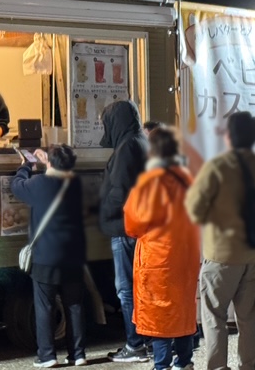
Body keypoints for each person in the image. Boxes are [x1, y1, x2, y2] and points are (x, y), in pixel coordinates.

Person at [185, 111, 255, 370]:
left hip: (221, 255)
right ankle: (247, 366)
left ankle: (218, 367)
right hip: (252, 255)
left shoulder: (217, 166)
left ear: (229, 136)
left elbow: (194, 209)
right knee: (247, 319)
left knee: (214, 317)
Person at [124, 128, 200, 370]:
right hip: (186, 256)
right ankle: (185, 361)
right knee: (182, 308)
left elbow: (132, 223)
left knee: (160, 314)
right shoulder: (187, 178)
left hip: (158, 258)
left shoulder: (149, 182)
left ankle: (162, 364)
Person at [10, 145, 87, 368]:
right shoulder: (75, 185)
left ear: (50, 163)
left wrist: (26, 166)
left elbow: (16, 185)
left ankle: (47, 356)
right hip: (74, 255)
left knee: (45, 306)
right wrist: (50, 162)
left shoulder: (40, 183)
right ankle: (78, 355)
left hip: (46, 257)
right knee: (75, 305)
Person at [98, 100, 149, 363]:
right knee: (140, 286)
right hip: (139, 225)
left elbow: (119, 190)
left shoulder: (127, 147)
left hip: (124, 226)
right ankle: (146, 339)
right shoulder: (141, 141)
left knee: (126, 289)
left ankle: (135, 344)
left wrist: (103, 212)